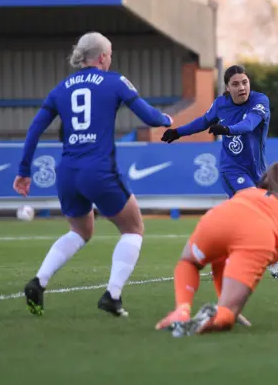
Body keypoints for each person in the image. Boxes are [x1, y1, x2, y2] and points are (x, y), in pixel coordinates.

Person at [14, 32, 173, 317]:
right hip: (98, 170)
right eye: (109, 54)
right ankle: (112, 295)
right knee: (133, 229)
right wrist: (167, 120)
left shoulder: (60, 88)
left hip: (68, 172)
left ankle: (39, 281)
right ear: (102, 57)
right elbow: (149, 117)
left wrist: (24, 171)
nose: (110, 59)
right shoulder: (114, 81)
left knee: (80, 230)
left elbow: (35, 129)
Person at [155, 162, 278, 333]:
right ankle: (222, 316)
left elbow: (221, 261)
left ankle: (182, 310)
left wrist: (229, 304)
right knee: (226, 316)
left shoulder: (247, 193)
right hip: (256, 236)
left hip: (216, 219)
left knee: (189, 262)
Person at [160, 64, 278, 280]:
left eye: (245, 82)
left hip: (257, 171)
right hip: (231, 170)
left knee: (259, 215)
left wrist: (227, 129)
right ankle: (271, 262)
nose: (242, 87)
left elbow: (250, 124)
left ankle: (218, 249)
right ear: (227, 88)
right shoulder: (221, 104)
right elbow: (203, 122)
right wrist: (178, 132)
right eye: (236, 84)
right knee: (254, 209)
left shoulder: (260, 101)